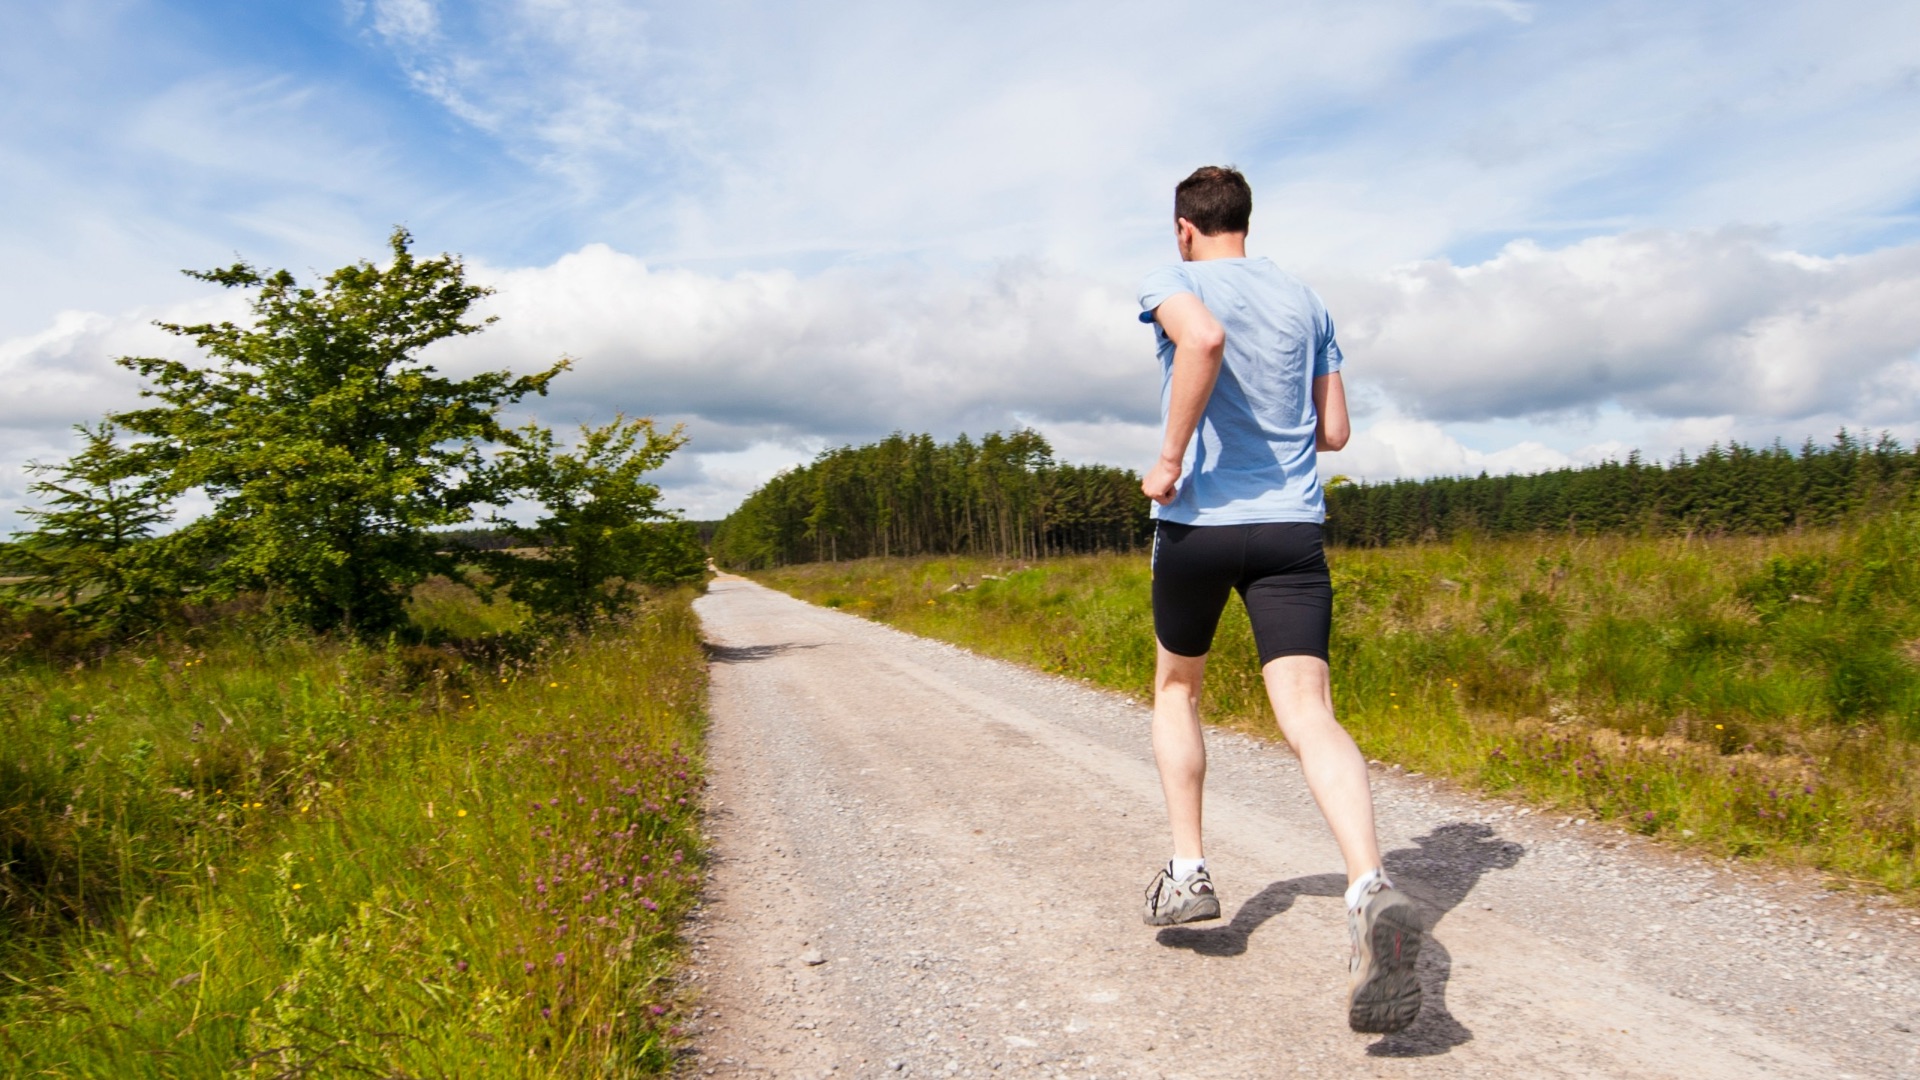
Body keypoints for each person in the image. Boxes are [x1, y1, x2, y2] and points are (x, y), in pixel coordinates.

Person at [1135, 165, 1424, 1035]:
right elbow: (1333, 431)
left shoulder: (1174, 281)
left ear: (1185, 228)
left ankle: (1189, 874)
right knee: (1309, 712)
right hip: (1292, 529)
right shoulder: (1306, 300)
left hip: (1199, 525)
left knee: (1178, 687)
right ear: (1244, 223)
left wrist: (1171, 457)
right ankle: (1370, 883)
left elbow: (1204, 341)